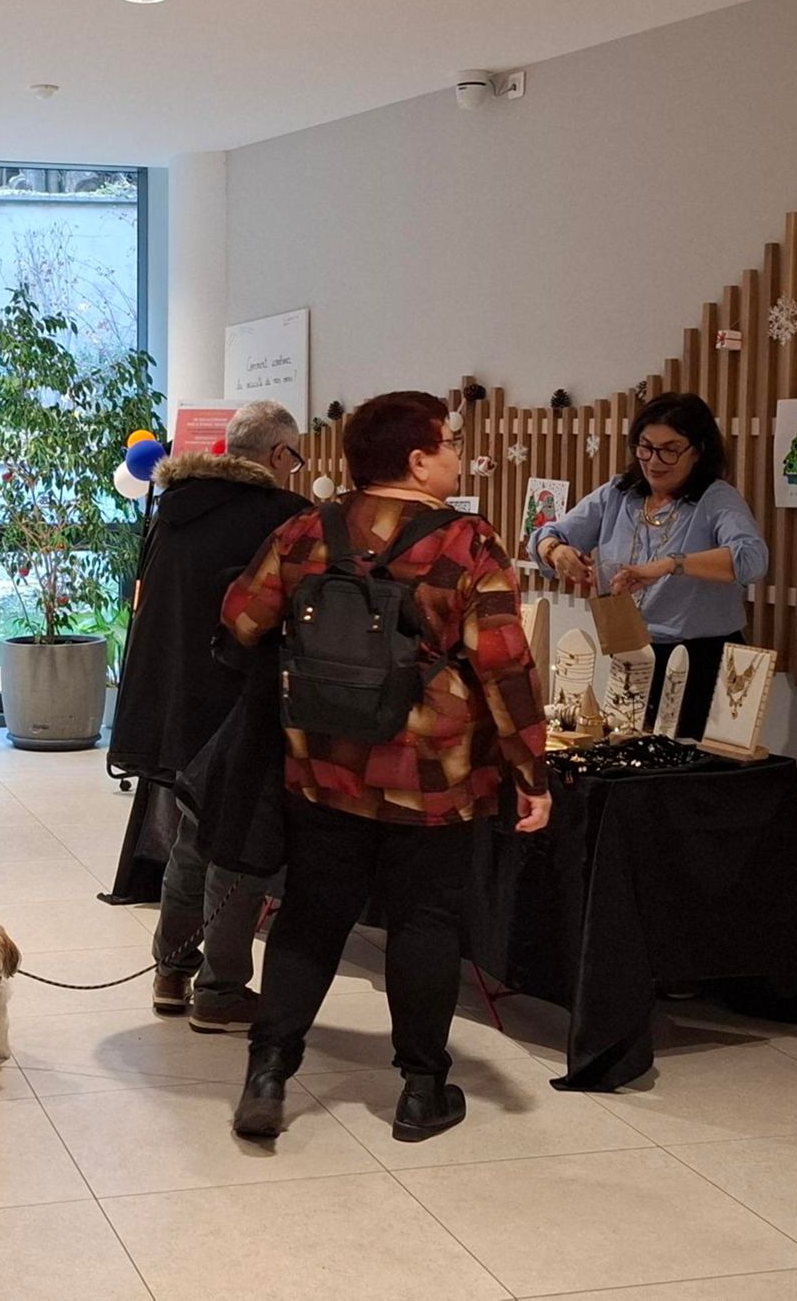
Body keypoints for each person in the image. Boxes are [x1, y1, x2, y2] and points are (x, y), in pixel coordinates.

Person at [220, 390, 550, 1143]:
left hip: (323, 765)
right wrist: (531, 772)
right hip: (433, 777)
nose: (458, 456)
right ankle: (421, 1091)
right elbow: (505, 666)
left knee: (311, 914)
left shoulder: (308, 527)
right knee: (424, 922)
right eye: (450, 443)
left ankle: (268, 1072)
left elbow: (240, 617)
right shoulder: (467, 542)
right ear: (418, 459)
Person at [107, 401, 309, 1032]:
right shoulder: (284, 516)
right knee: (240, 848)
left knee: (192, 838)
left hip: (173, 703)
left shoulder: (174, 508)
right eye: (296, 456)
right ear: (278, 454)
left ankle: (171, 972)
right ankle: (220, 991)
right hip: (242, 703)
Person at [529, 391, 768, 739]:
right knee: (626, 751)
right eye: (646, 447)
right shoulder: (619, 494)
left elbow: (752, 559)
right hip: (632, 655)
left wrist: (670, 564)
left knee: (688, 763)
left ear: (698, 450)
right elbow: (544, 536)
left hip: (702, 658)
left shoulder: (716, 498)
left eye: (670, 450)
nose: (655, 461)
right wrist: (556, 551)